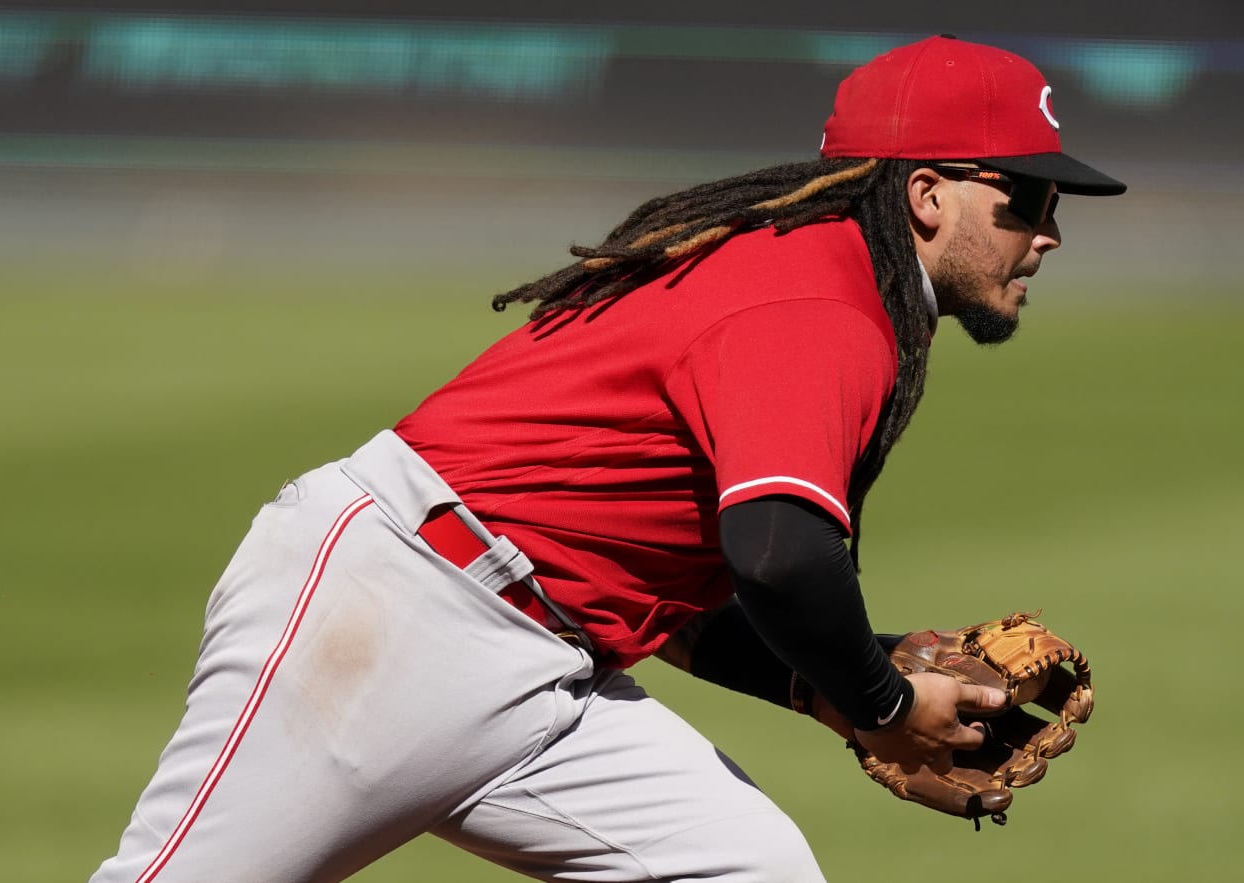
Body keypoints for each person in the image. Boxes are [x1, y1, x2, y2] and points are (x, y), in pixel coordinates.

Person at [90, 35, 1127, 883]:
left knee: (749, 871)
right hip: (395, 615)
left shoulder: (827, 283)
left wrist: (834, 682)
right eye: (1028, 200)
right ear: (929, 194)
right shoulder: (819, 301)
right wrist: (882, 698)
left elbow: (699, 600)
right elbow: (778, 556)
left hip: (540, 668)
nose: (1050, 233)